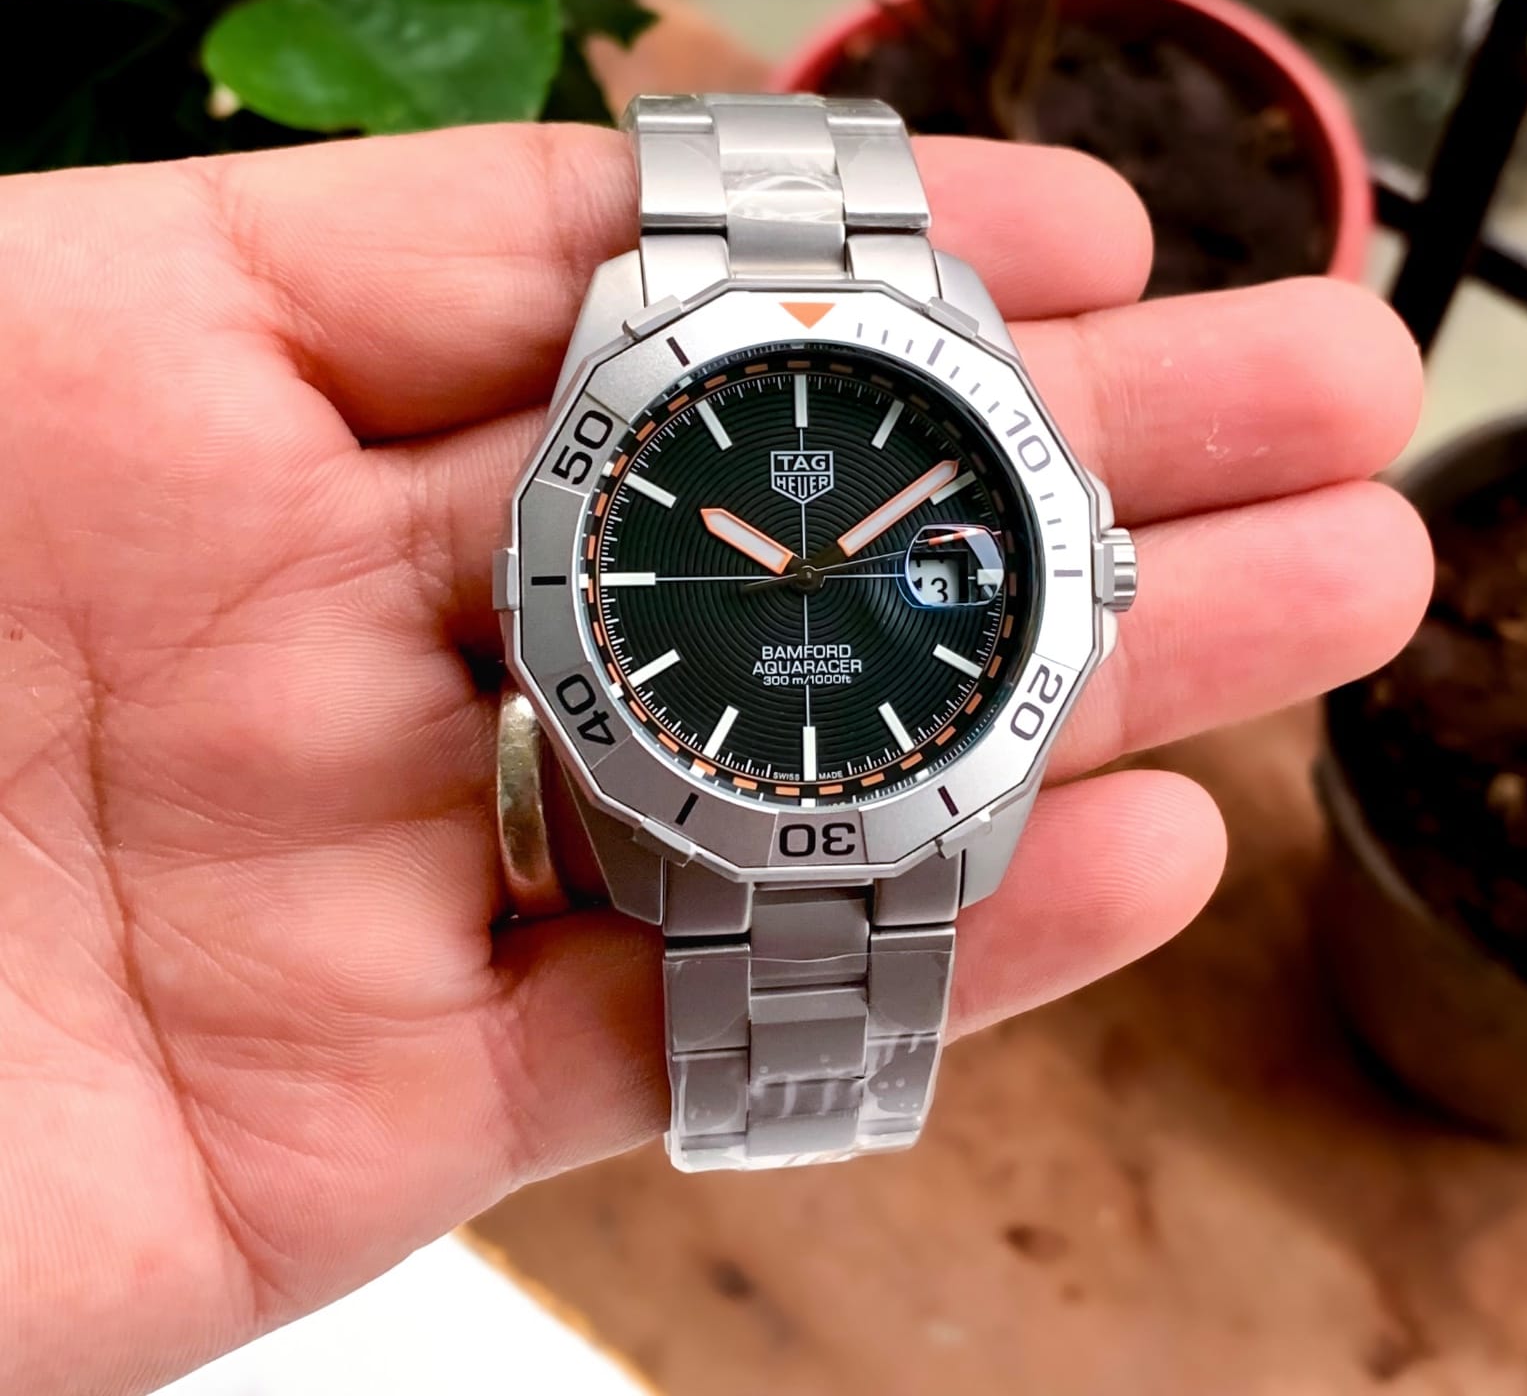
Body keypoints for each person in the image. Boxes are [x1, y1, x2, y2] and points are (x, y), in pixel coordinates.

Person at [0, 122, 1430, 1396]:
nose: (803, 576)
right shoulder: (630, 400)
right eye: (767, 557)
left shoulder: (945, 537)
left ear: (1087, 572)